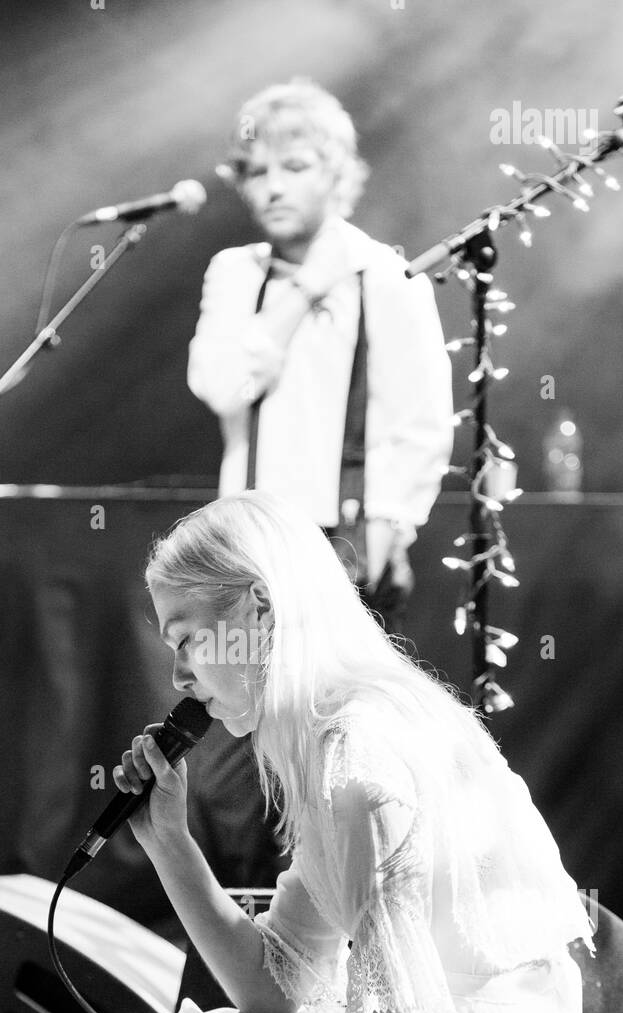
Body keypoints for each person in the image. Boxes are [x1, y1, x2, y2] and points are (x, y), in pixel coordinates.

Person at [16, 492, 596, 1013]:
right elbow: (281, 988)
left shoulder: (357, 755)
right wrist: (170, 848)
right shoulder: (343, 729)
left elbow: (400, 1009)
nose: (181, 675)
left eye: (187, 639)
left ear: (260, 606)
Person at [188, 78, 454, 622]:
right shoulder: (234, 272)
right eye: (257, 172)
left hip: (348, 540)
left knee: (337, 705)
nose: (274, 188)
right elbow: (222, 387)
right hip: (248, 537)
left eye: (295, 166)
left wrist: (384, 538)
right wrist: (306, 290)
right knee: (245, 703)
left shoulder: (387, 274)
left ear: (336, 174)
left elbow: (420, 425)